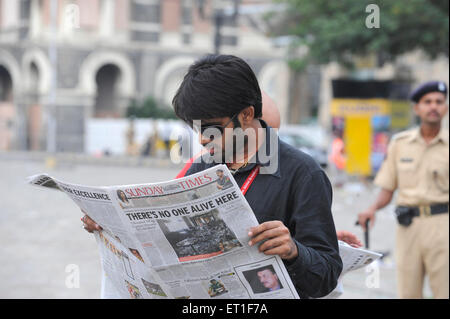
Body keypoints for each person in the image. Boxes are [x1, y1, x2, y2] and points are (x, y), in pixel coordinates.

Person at [170, 54, 342, 298]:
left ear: (247, 115)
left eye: (212, 128)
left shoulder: (303, 174)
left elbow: (327, 275)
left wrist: (295, 252)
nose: (202, 139)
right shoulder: (201, 168)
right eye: (196, 128)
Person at [357, 81, 449, 299]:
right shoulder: (400, 143)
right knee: (408, 292)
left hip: (443, 226)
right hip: (408, 227)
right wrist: (372, 209)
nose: (433, 106)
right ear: (417, 108)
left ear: (445, 107)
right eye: (427, 102)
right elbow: (388, 188)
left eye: (439, 102)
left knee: (444, 291)